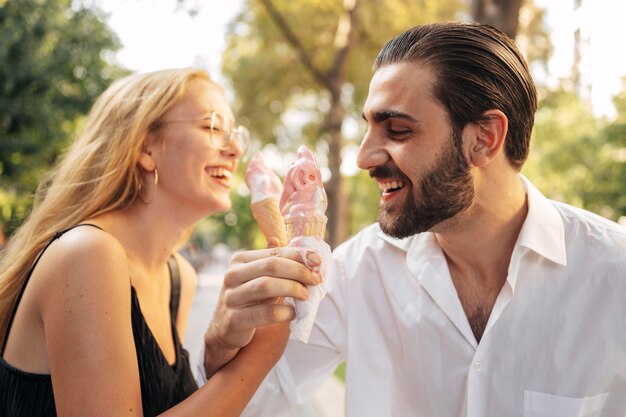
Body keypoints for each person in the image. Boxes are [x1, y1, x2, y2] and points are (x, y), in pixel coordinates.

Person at [202, 21, 626, 417]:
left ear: (484, 138)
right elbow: (251, 402)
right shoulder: (355, 272)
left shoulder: (614, 275)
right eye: (368, 127)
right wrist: (222, 339)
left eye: (398, 131)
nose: (364, 157)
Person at [0, 68, 320, 417]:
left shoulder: (178, 277)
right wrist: (259, 355)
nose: (236, 149)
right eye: (212, 127)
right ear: (145, 147)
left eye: (235, 133)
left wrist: (219, 352)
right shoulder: (87, 254)